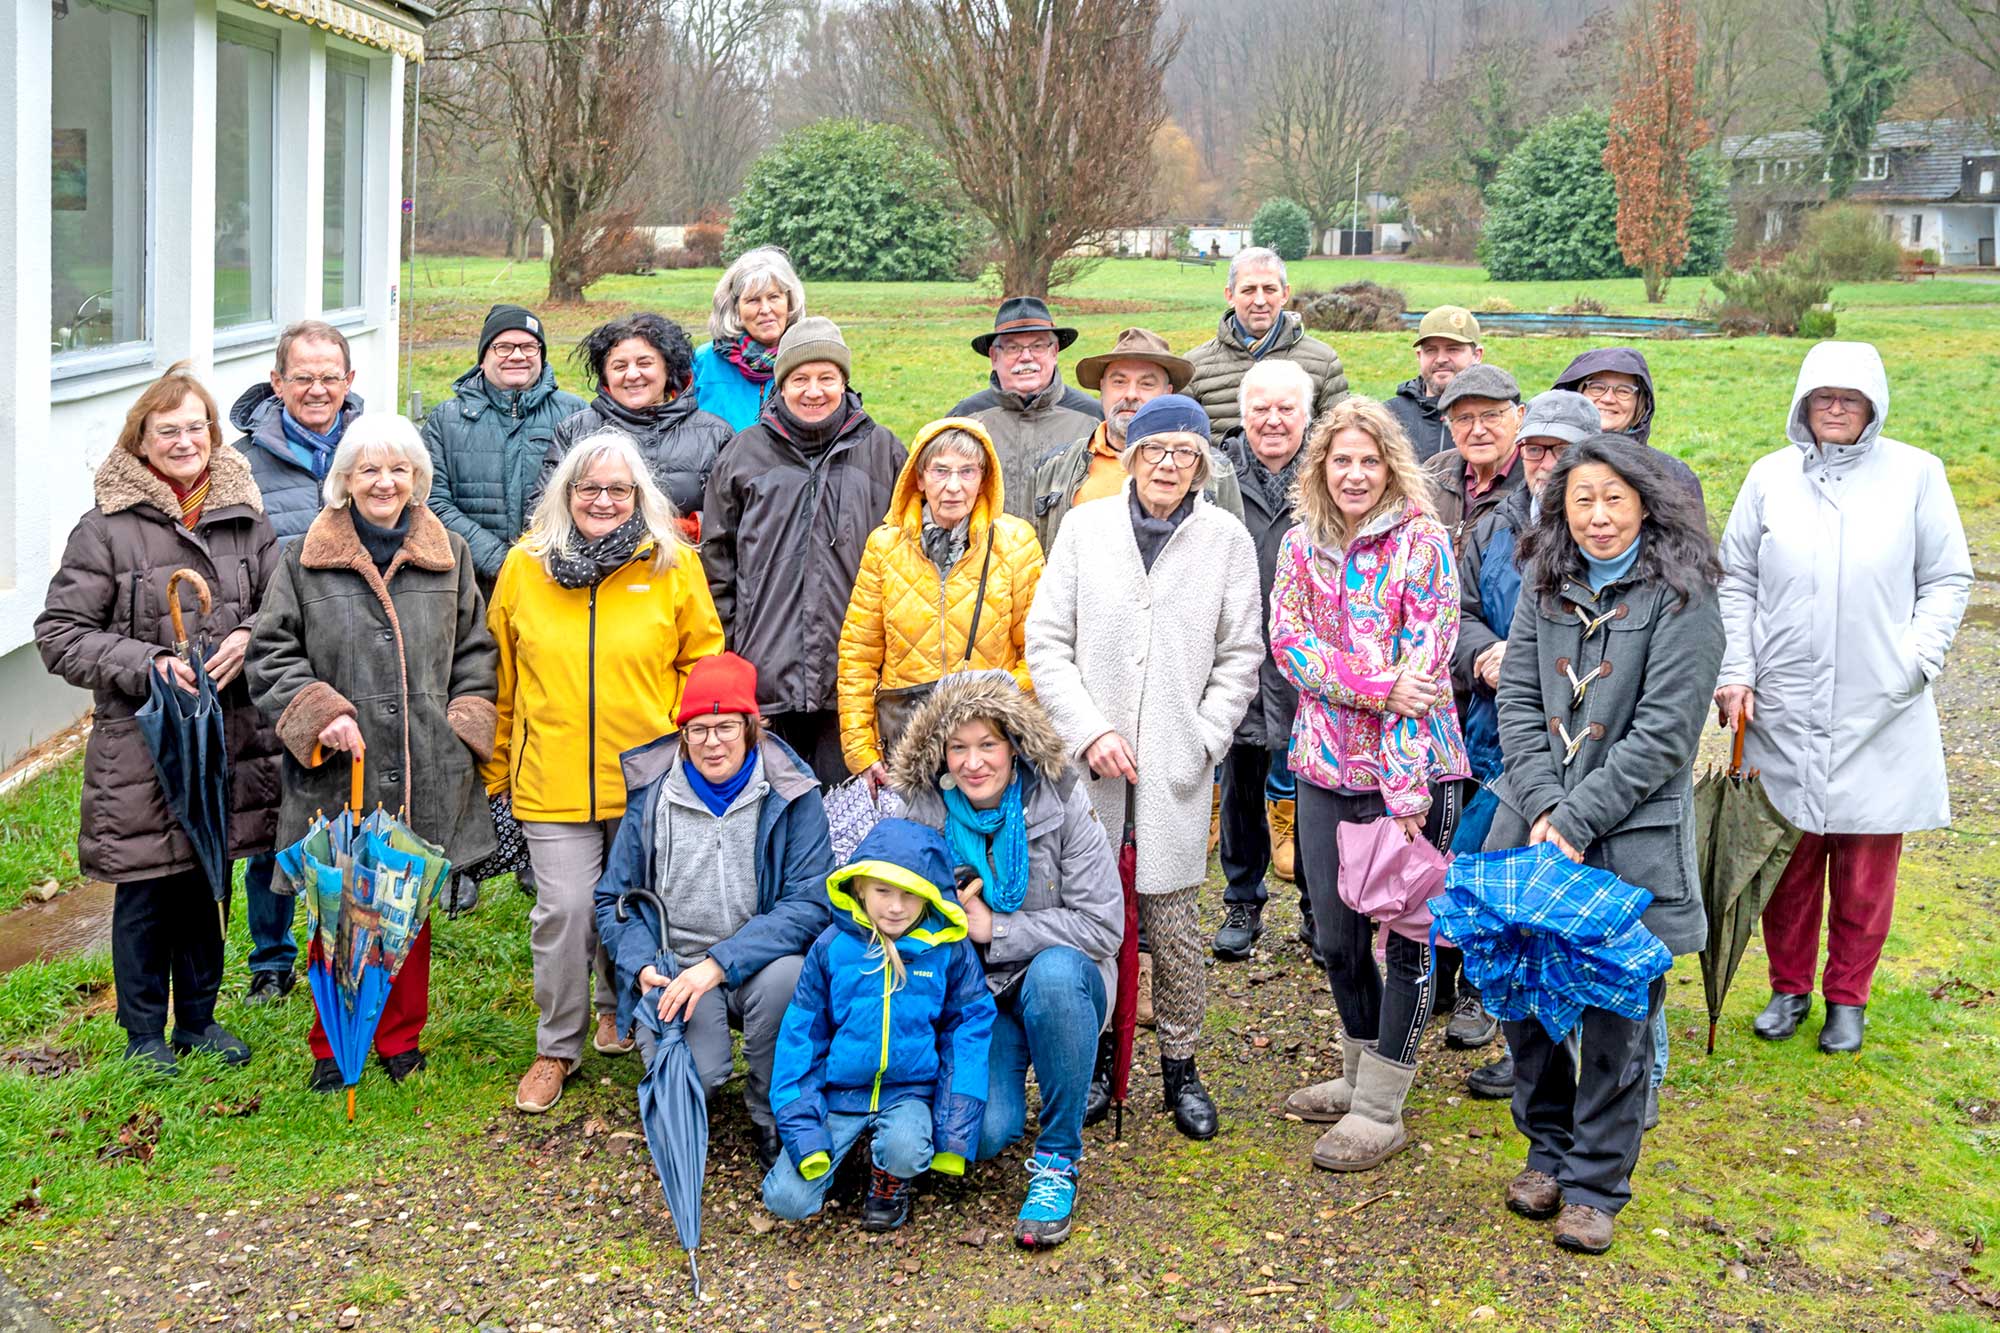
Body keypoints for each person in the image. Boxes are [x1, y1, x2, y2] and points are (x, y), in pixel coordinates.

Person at [1486, 434, 1724, 1255]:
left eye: (1614, 498)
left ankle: (1596, 1184)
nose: (1597, 515)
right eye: (1581, 498)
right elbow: (1518, 700)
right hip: (1533, 829)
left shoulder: (1683, 597)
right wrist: (1547, 807)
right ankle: (1546, 1150)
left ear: (1647, 503)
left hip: (1629, 842)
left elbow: (1664, 735)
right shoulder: (1543, 584)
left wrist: (1578, 819)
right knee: (1529, 1005)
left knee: (1618, 1013)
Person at [1717, 341, 1970, 1056]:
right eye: (1822, 394)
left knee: (1865, 864)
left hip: (1878, 702)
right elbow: (1736, 577)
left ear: (1874, 404)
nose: (1835, 405)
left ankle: (1847, 998)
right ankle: (1788, 986)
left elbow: (1949, 578)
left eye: (1850, 395)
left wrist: (1914, 662)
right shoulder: (1770, 477)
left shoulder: (1917, 474)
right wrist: (1737, 670)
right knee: (1788, 858)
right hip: (1783, 700)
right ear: (1802, 400)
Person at [1025, 393, 1263, 1141]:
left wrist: (1202, 736)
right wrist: (1087, 729)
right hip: (1091, 769)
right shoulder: (1086, 528)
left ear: (1201, 464)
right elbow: (1047, 640)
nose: (1168, 465)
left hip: (1174, 765)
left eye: (1184, 454)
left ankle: (1180, 1065)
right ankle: (1096, 1055)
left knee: (1173, 920)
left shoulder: (1225, 538)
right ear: (1130, 454)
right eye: (1156, 450)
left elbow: (1240, 654)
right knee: (1094, 918)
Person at [36, 362, 281, 1074]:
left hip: (226, 734)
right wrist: (145, 662)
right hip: (144, 741)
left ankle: (199, 1020)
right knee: (147, 884)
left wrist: (251, 635)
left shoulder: (247, 517)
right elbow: (59, 633)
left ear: (214, 434)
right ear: (141, 441)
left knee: (208, 875)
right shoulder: (105, 530)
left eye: (195, 427)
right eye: (166, 430)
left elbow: (285, 607)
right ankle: (144, 1030)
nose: (183, 441)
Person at [248, 413, 498, 1090]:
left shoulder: (449, 554)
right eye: (369, 470)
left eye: (398, 470)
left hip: (426, 762)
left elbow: (477, 650)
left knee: (406, 908)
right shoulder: (304, 556)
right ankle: (333, 1044)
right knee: (340, 907)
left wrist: (464, 721)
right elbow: (270, 654)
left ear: (416, 479)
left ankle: (398, 1036)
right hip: (341, 771)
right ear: (344, 482)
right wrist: (319, 712)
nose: (384, 482)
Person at [484, 431, 725, 1115]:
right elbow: (503, 675)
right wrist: (498, 775)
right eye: (588, 487)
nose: (603, 500)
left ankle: (621, 1008)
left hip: (648, 774)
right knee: (564, 908)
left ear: (639, 496)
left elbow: (702, 666)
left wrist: (687, 748)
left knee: (638, 904)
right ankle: (556, 1045)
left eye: (619, 489)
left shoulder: (673, 563)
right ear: (565, 493)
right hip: (551, 776)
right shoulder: (524, 566)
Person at [1267, 397, 1467, 1173]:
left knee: (1409, 937)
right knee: (1336, 935)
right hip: (1322, 765)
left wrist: (1408, 783)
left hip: (1412, 773)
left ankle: (1382, 1106)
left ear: (1391, 466)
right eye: (1340, 460)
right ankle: (1356, 1069)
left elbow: (1428, 666)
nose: (1354, 474)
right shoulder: (1298, 546)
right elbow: (1290, 647)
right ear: (1321, 466)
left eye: (1369, 460)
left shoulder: (1423, 542)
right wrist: (1376, 686)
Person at [890, 673, 1122, 1248]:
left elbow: (1103, 926)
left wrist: (996, 929)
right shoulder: (922, 814)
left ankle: (1057, 1160)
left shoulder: (1061, 796)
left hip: (1063, 981)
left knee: (1057, 974)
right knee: (986, 1135)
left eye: (987, 744)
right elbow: (887, 919)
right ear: (939, 753)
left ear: (1014, 744)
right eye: (958, 747)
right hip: (979, 998)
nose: (974, 763)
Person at [594, 651, 834, 1169]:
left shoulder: (793, 793)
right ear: (683, 734)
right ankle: (689, 1088)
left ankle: (774, 1111)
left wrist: (722, 962)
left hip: (758, 962)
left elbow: (810, 901)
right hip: (675, 964)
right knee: (693, 1081)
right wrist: (641, 967)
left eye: (726, 727)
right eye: (699, 729)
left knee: (791, 979)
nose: (712, 742)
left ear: (751, 727)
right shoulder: (653, 794)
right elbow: (614, 899)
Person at [1453, 388, 1603, 1104]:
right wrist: (1484, 654)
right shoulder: (1496, 523)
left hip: (1583, 758)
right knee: (1506, 898)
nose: (1545, 464)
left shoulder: (1607, 534)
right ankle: (1527, 1052)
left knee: (1580, 911)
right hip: (1496, 739)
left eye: (1560, 452)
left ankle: (1617, 1072)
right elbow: (1458, 610)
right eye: (1536, 451)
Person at [762, 819, 996, 1232]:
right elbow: (801, 1040)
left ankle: (891, 1176)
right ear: (859, 889)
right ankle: (840, 1158)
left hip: (909, 1094)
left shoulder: (947, 952)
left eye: (910, 894)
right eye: (883, 891)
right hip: (840, 1095)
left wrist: (953, 1135)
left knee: (906, 1149)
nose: (894, 907)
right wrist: (804, 1133)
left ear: (930, 898)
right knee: (787, 1200)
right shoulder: (832, 948)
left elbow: (967, 1035)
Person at [703, 317, 905, 783]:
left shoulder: (883, 451)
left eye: (826, 378)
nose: (813, 391)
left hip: (853, 687)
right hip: (765, 681)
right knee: (773, 825)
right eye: (800, 379)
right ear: (782, 384)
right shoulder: (743, 454)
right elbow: (717, 566)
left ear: (844, 382)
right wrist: (735, 662)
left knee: (846, 826)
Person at [227, 319, 363, 1004]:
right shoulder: (239, 465)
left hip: (352, 654)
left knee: (350, 803)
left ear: (350, 381)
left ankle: (343, 942)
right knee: (271, 808)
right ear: (276, 383)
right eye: (301, 377)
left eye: (329, 376)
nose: (316, 389)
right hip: (273, 656)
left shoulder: (375, 449)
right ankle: (271, 956)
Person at [835, 419, 1044, 784]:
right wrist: (861, 751)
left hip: (991, 744)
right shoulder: (884, 547)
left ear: (984, 478)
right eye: (940, 471)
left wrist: (998, 698)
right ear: (918, 478)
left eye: (967, 472)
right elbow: (859, 655)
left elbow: (1040, 652)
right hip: (909, 745)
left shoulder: (1015, 543)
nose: (953, 487)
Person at [1420, 362, 1528, 1051]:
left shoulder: (1540, 488)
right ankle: (1430, 966)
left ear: (1518, 415)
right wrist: (1477, 649)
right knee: (1431, 830)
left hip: (1507, 702)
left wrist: (1501, 657)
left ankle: (1481, 987)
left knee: (1490, 844)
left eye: (1491, 414)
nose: (1477, 428)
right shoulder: (1431, 480)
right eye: (1464, 417)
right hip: (1435, 689)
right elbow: (1442, 596)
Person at [1210, 358, 1314, 962]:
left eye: (1286, 409)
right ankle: (1241, 899)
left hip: (1310, 660)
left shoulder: (1330, 471)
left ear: (1306, 413)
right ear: (1243, 413)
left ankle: (1317, 904)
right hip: (1239, 653)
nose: (1273, 421)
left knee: (1317, 787)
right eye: (1261, 409)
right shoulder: (1215, 475)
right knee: (1242, 783)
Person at [1030, 326, 1241, 553]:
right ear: (1102, 387)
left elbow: (1231, 555)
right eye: (1119, 382)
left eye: (1146, 384)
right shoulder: (1055, 467)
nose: (1130, 394)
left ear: (1168, 393)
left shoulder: (1213, 469)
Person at [423, 304, 587, 592]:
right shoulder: (445, 419)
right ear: (483, 357)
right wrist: (501, 561)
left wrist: (544, 558)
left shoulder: (576, 415)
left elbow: (592, 494)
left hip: (555, 580)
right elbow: (432, 501)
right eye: (503, 347)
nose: (517, 355)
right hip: (471, 584)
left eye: (529, 346)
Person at [538, 313, 733, 536]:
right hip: (593, 568)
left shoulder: (715, 434)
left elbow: (733, 518)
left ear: (668, 368)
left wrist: (686, 530)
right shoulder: (575, 431)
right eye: (619, 366)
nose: (632, 374)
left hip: (683, 567)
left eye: (644, 363)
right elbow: (545, 511)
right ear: (605, 375)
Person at [951, 297, 1100, 524]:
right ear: (994, 356)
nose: (1026, 357)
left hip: (1065, 556)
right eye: (1013, 348)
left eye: (1038, 346)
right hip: (987, 556)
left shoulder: (1093, 420)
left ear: (1055, 352)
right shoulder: (965, 419)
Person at [1184, 247, 1348, 439]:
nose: (1260, 300)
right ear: (1230, 295)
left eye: (1269, 289)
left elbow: (1339, 439)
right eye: (1248, 290)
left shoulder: (1323, 361)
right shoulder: (1195, 367)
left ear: (1285, 294)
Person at [1551, 347, 1704, 506]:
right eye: (1597, 387)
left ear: (1641, 405)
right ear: (1577, 394)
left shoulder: (1674, 475)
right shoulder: (1544, 460)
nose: (1608, 398)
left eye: (1624, 391)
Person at [690, 246, 807, 431]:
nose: (766, 309)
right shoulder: (705, 362)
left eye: (774, 297)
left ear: (790, 301)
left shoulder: (807, 359)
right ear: (735, 308)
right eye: (753, 300)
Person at [1385, 307, 1483, 462]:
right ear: (1419, 356)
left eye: (1453, 349)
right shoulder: (1389, 417)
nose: (1441, 359)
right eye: (1431, 350)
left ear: (1477, 355)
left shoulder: (1501, 415)